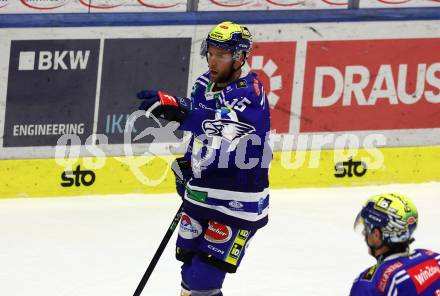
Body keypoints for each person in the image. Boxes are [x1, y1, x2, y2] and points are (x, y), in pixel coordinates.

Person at [137, 21, 271, 296]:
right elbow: (201, 136)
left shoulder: (250, 90)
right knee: (189, 268)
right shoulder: (202, 84)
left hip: (238, 199)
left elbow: (228, 125)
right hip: (202, 191)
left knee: (203, 276)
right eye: (210, 52)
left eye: (221, 54)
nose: (213, 60)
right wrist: (188, 164)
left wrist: (181, 110)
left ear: (240, 57)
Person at [350, 193, 440, 295]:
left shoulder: (370, 284)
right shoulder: (433, 258)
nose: (363, 233)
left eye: (366, 228)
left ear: (376, 235)